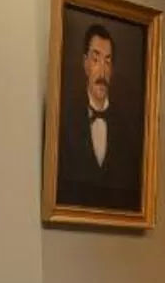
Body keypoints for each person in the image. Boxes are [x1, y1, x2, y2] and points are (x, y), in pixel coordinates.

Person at [53, 21, 145, 214]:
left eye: (108, 61)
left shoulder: (127, 131)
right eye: (96, 60)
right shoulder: (65, 123)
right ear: (85, 63)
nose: (102, 71)